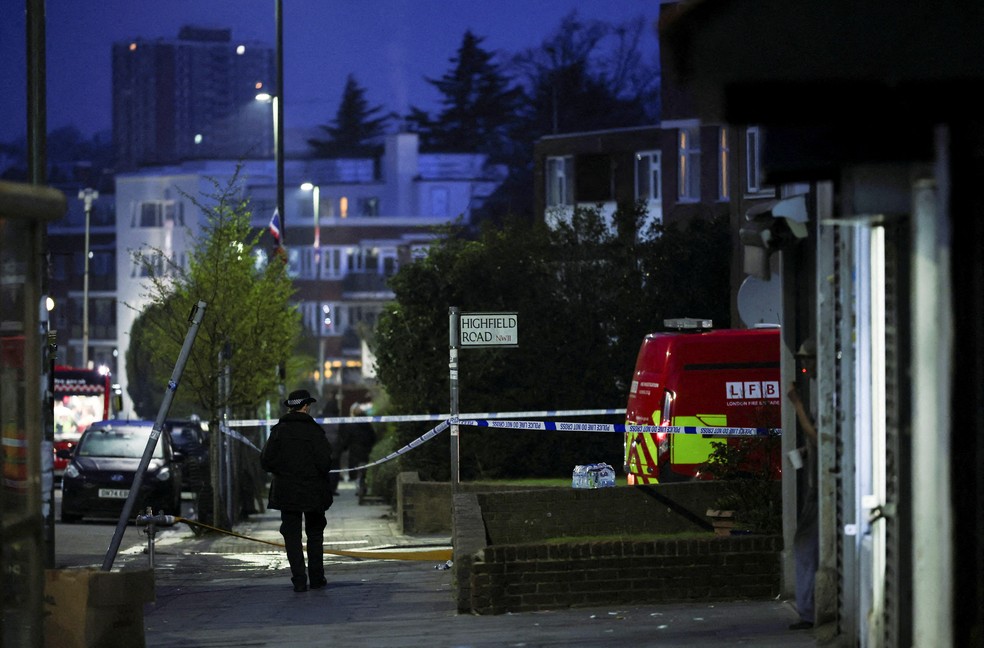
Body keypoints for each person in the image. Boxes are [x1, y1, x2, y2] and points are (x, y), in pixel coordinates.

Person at [260, 389, 334, 592]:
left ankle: (299, 580)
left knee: (292, 535)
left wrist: (283, 471)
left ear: (291, 407)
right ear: (305, 406)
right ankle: (317, 578)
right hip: (313, 491)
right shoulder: (315, 431)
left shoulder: (278, 431)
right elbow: (325, 462)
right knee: (315, 533)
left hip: (287, 492)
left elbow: (266, 461)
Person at [787, 339, 818, 630]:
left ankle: (808, 611)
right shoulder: (826, 392)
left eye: (807, 362)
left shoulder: (828, 393)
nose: (805, 368)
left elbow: (820, 437)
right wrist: (805, 453)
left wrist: (797, 405)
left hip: (822, 490)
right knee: (808, 547)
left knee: (804, 547)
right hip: (819, 487)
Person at [343, 401, 376, 497]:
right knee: (363, 469)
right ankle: (362, 486)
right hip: (365, 450)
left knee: (356, 470)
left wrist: (344, 447)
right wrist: (370, 446)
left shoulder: (351, 424)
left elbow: (347, 438)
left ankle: (360, 488)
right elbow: (373, 436)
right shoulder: (367, 423)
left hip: (354, 451)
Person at [320, 397, 343, 496]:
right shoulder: (338, 420)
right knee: (335, 468)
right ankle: (332, 489)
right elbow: (342, 434)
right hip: (335, 448)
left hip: (322, 448)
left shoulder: (319, 418)